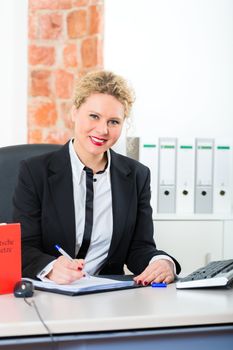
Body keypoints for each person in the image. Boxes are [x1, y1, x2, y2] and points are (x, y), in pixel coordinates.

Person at [13, 70, 181, 286]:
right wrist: (51, 268)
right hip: (51, 292)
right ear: (74, 112)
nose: (102, 130)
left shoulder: (137, 176)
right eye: (94, 116)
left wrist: (161, 262)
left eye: (114, 122)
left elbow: (139, 248)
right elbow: (23, 247)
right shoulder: (35, 171)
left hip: (108, 293)